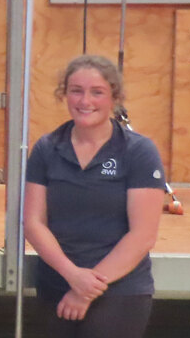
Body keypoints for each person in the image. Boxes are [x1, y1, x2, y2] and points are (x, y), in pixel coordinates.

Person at [24, 55, 165, 338]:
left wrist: (87, 289)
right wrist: (73, 276)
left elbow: (143, 235)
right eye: (76, 90)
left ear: (114, 97)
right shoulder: (46, 148)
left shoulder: (138, 152)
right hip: (58, 284)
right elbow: (33, 223)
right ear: (64, 94)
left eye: (96, 92)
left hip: (120, 289)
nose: (84, 100)